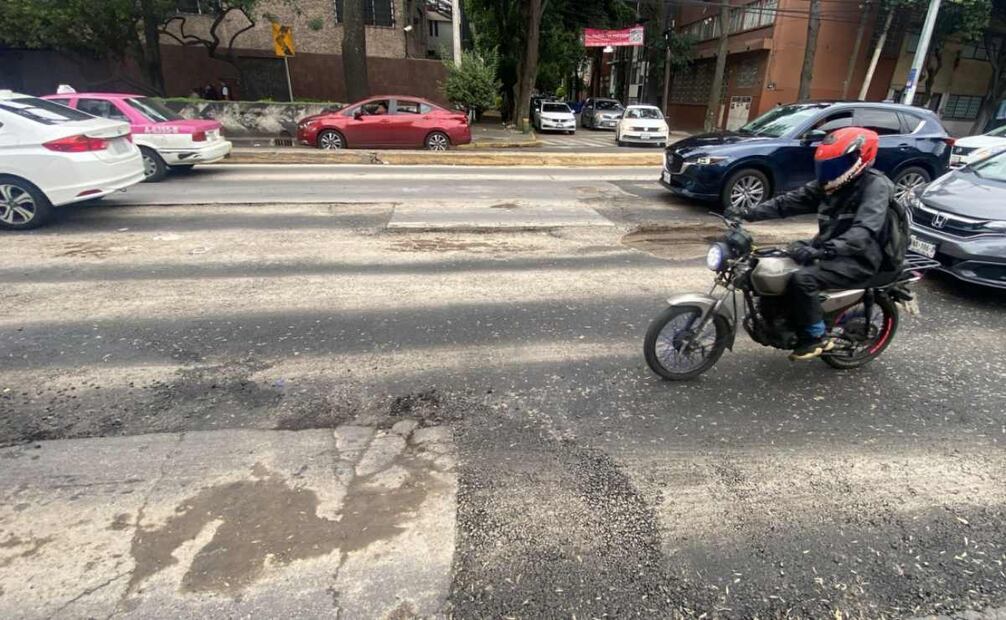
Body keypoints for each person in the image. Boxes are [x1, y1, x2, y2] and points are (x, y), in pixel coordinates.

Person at [728, 126, 898, 361]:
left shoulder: (875, 187)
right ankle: (779, 318)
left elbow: (864, 231)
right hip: (831, 248)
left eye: (835, 165)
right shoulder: (830, 184)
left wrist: (824, 249)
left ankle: (815, 337)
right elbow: (787, 203)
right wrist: (746, 212)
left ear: (860, 159)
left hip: (860, 257)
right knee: (774, 262)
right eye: (825, 165)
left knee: (803, 278)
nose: (828, 171)